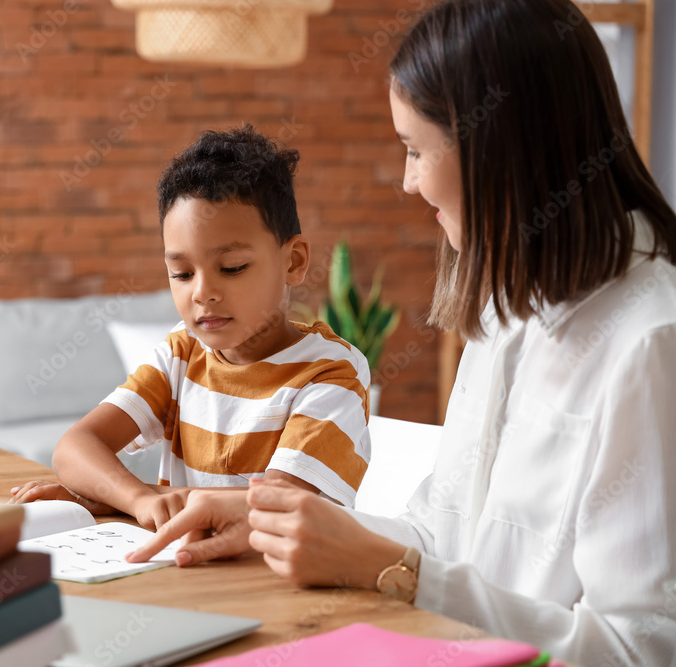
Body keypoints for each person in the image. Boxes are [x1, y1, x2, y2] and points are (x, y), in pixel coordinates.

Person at [127, 1, 676, 664]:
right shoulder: (508, 306)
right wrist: (272, 520)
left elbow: (645, 648)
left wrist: (404, 575)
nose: (409, 182)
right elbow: (438, 537)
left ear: (496, 145)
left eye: (416, 149)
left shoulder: (650, 342)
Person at [10, 126, 372, 530]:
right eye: (181, 273)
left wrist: (113, 500)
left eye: (232, 268)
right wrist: (133, 498)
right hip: (189, 569)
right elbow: (75, 448)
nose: (203, 293)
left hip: (278, 580)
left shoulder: (332, 372)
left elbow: (278, 504)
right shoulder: (180, 354)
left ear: (293, 261)